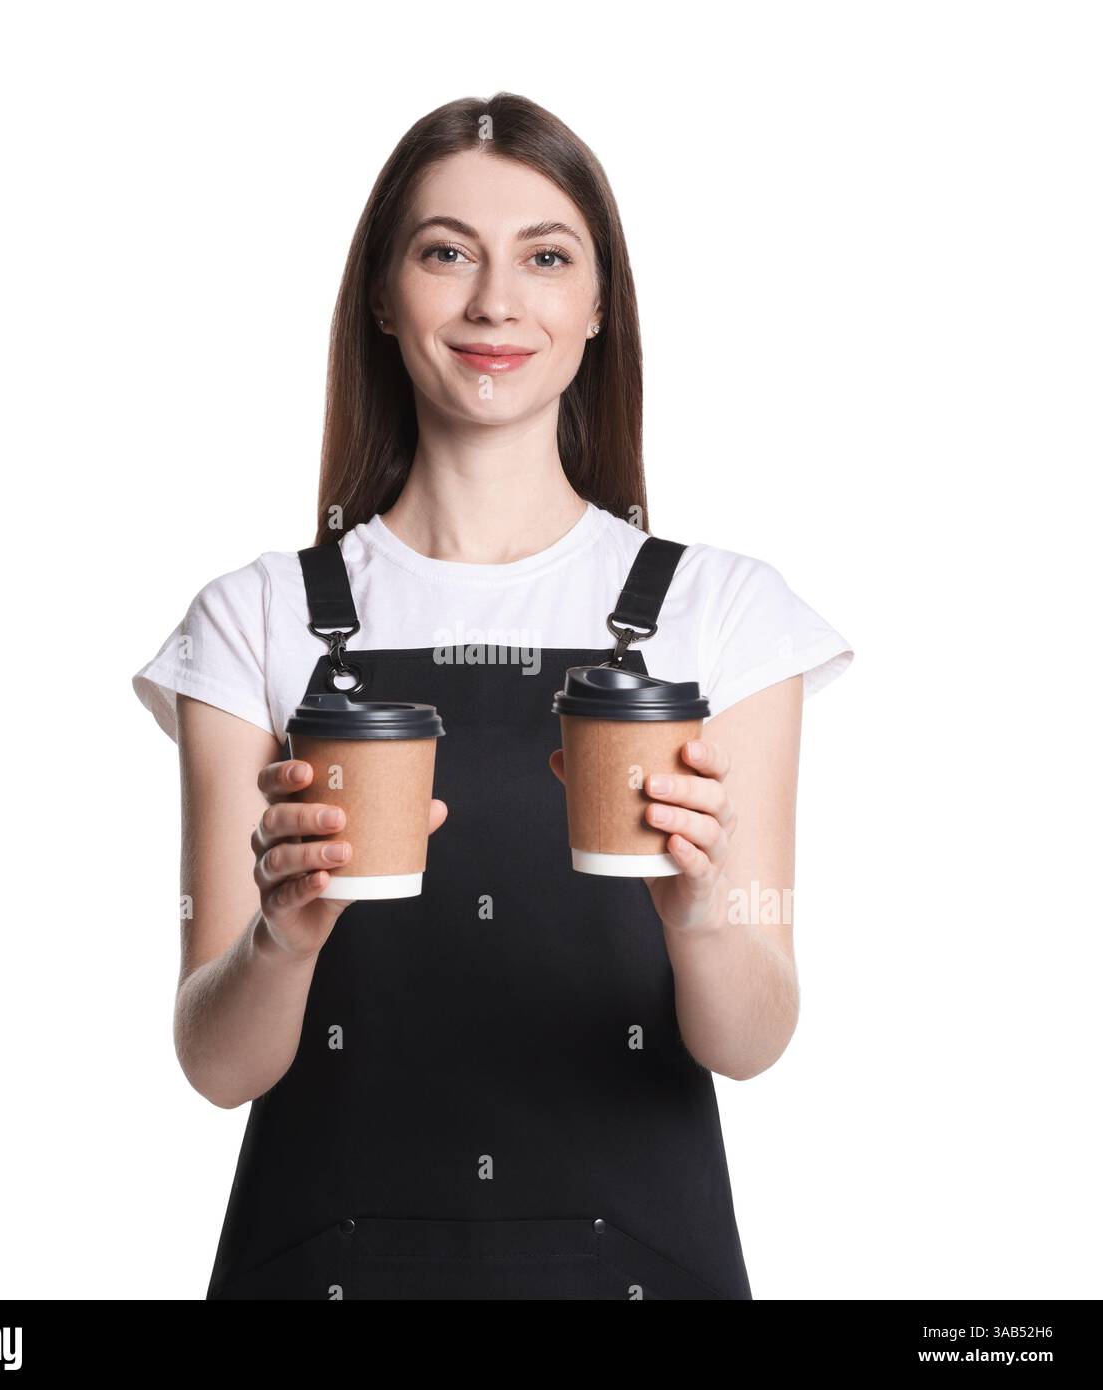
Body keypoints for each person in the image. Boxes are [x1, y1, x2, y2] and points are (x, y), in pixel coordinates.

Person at [132, 92, 854, 1301]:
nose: (494, 302)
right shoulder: (255, 616)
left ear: (598, 305)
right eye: (445, 252)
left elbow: (753, 1040)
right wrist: (280, 937)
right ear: (382, 294)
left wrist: (696, 916)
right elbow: (216, 1063)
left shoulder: (723, 612)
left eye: (546, 257)